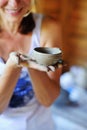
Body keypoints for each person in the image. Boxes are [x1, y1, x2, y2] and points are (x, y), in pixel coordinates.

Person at [0, 0, 63, 130]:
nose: (14, 3)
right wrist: (13, 65)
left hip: (41, 125)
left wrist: (30, 64)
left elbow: (48, 100)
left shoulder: (49, 28)